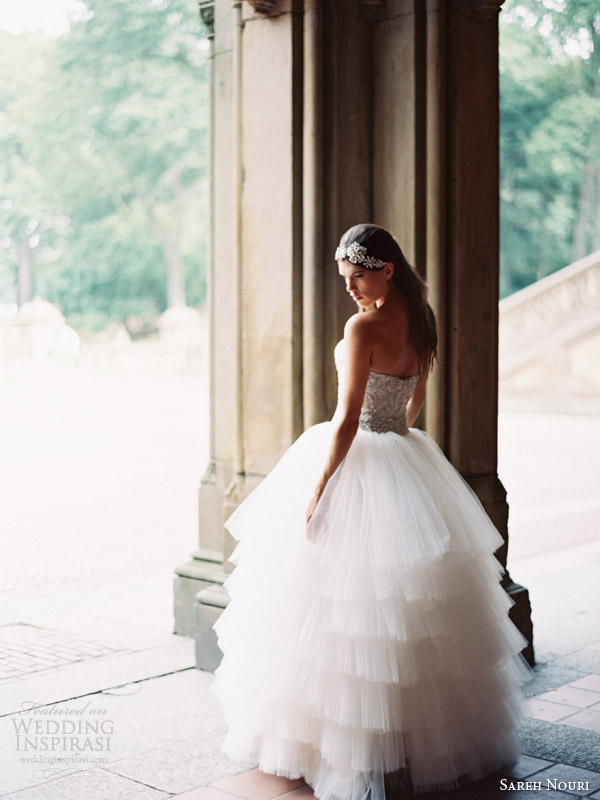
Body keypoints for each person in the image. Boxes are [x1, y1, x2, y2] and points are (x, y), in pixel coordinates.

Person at [209, 223, 532, 800]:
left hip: (359, 456)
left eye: (359, 276)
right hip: (405, 455)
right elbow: (417, 398)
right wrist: (398, 433)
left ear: (385, 268)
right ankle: (419, 744)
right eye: (346, 279)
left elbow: (347, 418)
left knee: (344, 611)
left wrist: (321, 485)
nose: (352, 289)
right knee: (404, 608)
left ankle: (346, 748)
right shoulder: (421, 316)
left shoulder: (364, 327)